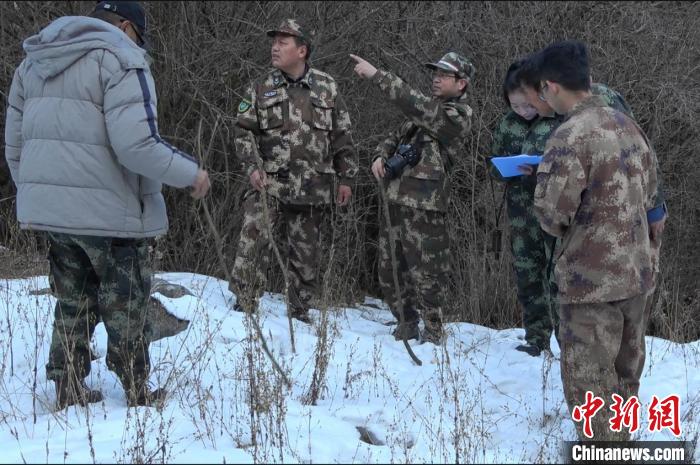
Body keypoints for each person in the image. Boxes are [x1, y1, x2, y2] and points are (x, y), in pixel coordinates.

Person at [4, 1, 210, 410]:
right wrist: (191, 174)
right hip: (110, 214)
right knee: (125, 301)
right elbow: (137, 145)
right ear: (127, 28)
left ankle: (67, 388)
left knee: (72, 301)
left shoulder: (35, 62)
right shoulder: (121, 60)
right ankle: (137, 391)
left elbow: (15, 146)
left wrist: (39, 193)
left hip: (52, 211)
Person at [532, 40, 661, 441]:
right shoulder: (627, 124)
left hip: (590, 285)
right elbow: (652, 193)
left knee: (591, 391)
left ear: (551, 87)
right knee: (625, 382)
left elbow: (552, 216)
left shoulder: (568, 136)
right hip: (636, 276)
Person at [230, 19, 358, 324]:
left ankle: (300, 314)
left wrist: (347, 178)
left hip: (313, 187)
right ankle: (244, 307)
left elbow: (342, 136)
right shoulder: (261, 87)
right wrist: (252, 167)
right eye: (273, 42)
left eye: (283, 42)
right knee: (253, 240)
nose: (275, 47)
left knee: (306, 255)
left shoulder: (327, 87)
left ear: (302, 50)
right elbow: (242, 131)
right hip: (269, 183)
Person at [350, 51, 474, 344]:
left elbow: (413, 103)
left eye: (444, 75)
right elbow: (395, 136)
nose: (436, 78)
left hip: (426, 207)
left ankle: (433, 332)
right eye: (435, 73)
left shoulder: (456, 117)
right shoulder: (421, 116)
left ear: (462, 84)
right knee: (389, 269)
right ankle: (405, 323)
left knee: (428, 274)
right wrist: (381, 156)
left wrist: (378, 76)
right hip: (396, 201)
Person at [489, 59, 563, 357]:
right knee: (528, 276)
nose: (523, 111)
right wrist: (505, 169)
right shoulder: (507, 124)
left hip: (554, 212)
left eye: (527, 105)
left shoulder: (557, 121)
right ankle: (537, 338)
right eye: (516, 106)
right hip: (521, 214)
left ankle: (567, 341)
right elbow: (493, 165)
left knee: (558, 277)